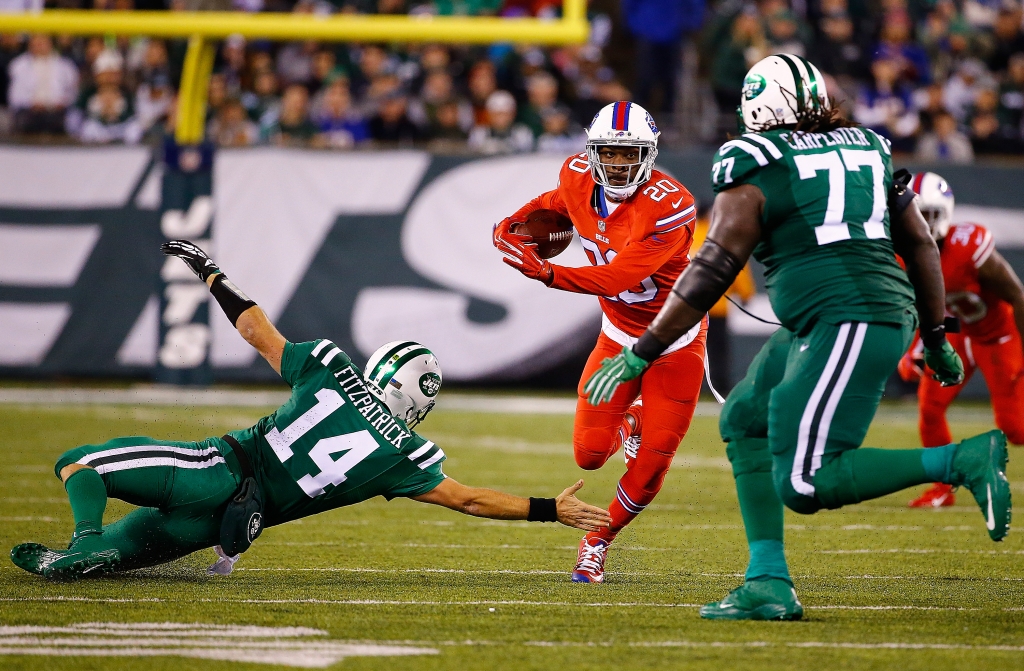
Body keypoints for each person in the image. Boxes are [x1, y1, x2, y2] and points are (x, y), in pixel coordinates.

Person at [582, 54, 1010, 619]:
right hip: (850, 315)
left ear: (757, 106)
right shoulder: (867, 149)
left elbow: (712, 268)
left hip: (849, 319)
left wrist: (645, 349)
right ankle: (767, 582)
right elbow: (921, 245)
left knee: (806, 482)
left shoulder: (754, 160)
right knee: (742, 419)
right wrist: (934, 336)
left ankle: (961, 461)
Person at [10, 241, 610, 581]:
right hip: (227, 524)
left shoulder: (332, 368)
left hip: (218, 466)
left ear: (380, 369)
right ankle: (90, 551)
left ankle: (85, 536)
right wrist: (545, 510)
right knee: (112, 561)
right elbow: (469, 500)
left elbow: (256, 332)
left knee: (77, 462)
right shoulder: (404, 454)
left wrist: (212, 274)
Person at [493, 101, 705, 583]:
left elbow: (618, 276)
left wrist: (547, 272)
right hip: (617, 335)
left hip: (674, 340)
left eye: (628, 154)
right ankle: (631, 421)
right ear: (592, 153)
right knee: (589, 453)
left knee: (650, 469)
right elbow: (557, 202)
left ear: (649, 155)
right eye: (607, 153)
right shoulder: (576, 176)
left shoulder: (671, 204)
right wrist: (514, 226)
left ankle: (598, 541)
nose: (617, 164)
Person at [898, 172, 1024, 508]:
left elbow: (1018, 296)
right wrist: (913, 351)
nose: (921, 223)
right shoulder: (901, 255)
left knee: (1016, 429)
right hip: (956, 334)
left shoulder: (968, 245)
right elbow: (920, 310)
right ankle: (942, 486)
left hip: (999, 335)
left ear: (944, 214)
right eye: (914, 215)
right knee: (929, 409)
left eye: (928, 214)